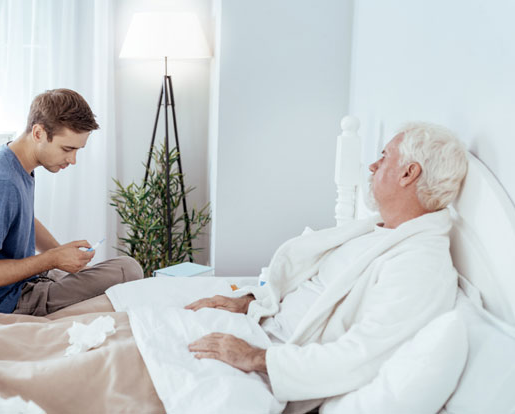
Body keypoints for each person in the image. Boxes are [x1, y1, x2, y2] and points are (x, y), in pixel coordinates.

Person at [186, 122, 468, 405]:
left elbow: (361, 356)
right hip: (258, 328)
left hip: (273, 363)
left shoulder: (419, 266)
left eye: (384, 157)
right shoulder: (377, 231)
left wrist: (254, 357)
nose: (372, 166)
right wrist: (250, 302)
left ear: (409, 173)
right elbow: (306, 282)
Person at [0, 88, 143, 316]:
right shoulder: (2, 183)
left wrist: (60, 254)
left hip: (14, 285)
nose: (73, 159)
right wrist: (51, 259)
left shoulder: (9, 159)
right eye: (67, 149)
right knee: (128, 269)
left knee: (118, 270)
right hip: (0, 302)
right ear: (38, 133)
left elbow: (23, 218)